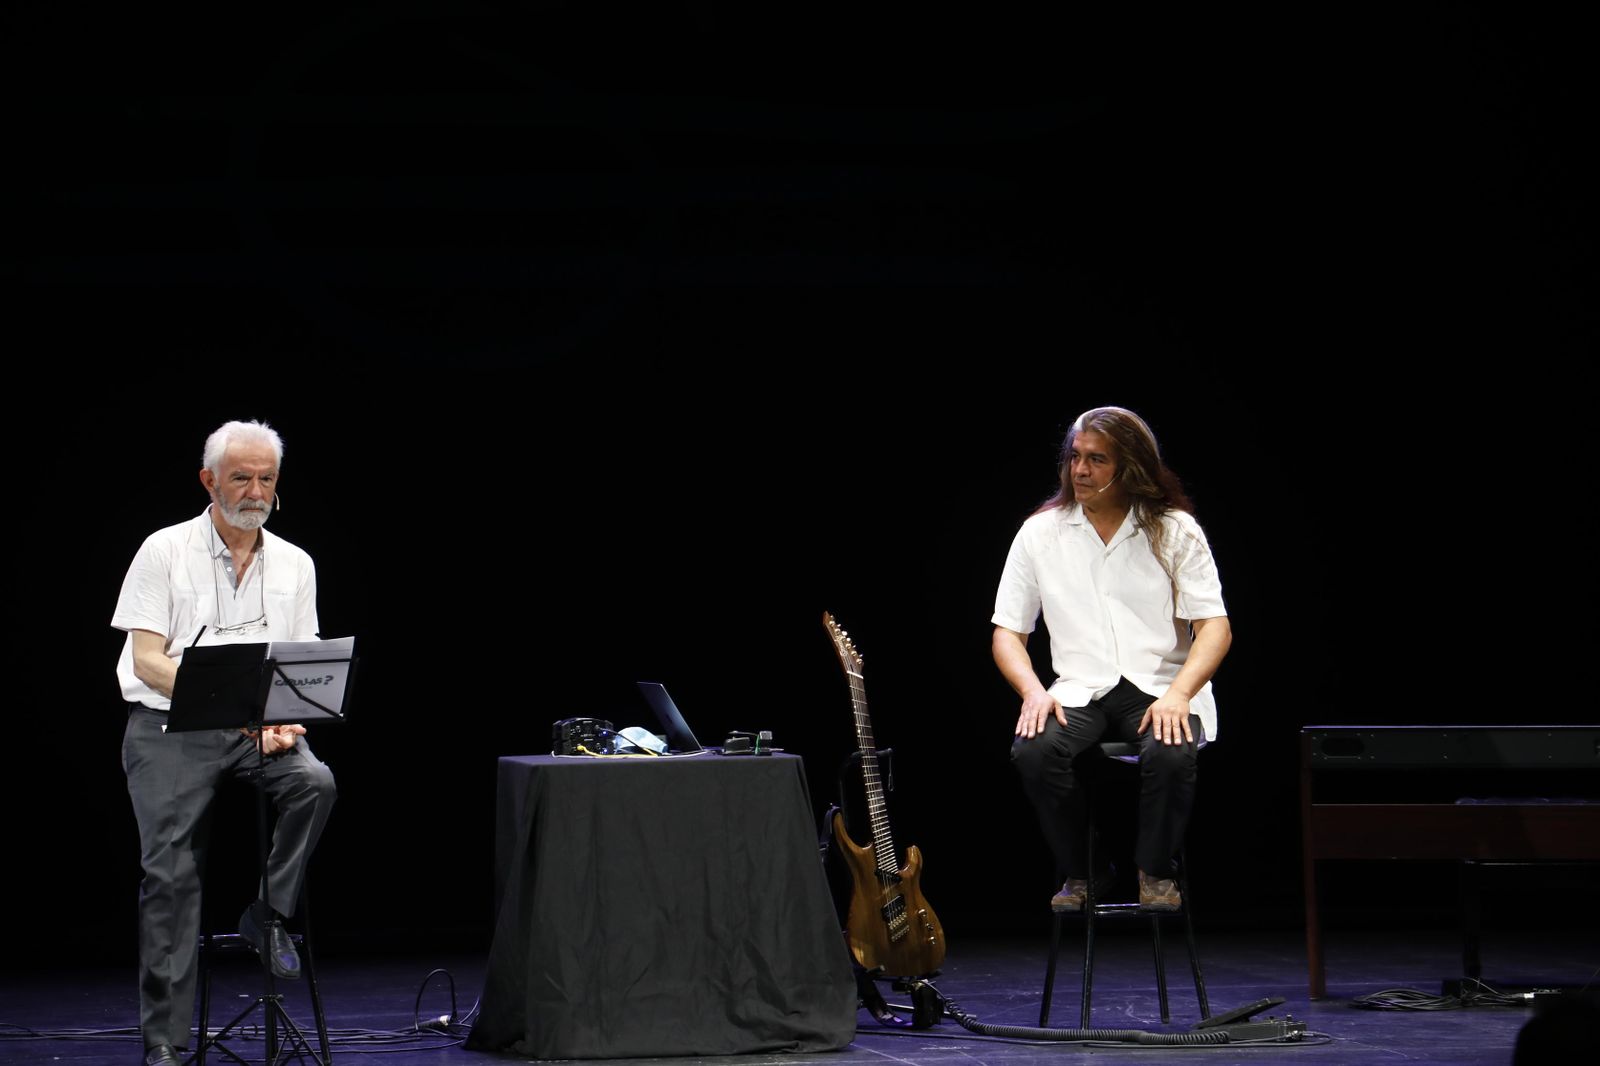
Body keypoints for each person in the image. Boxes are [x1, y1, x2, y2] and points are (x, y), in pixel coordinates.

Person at [113, 420, 337, 1066]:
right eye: (241, 477)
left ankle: (267, 912)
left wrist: (288, 717)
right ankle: (164, 1038)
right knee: (170, 875)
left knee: (315, 783)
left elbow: (299, 664)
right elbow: (148, 660)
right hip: (170, 727)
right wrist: (238, 710)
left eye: (266, 478)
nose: (255, 491)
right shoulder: (164, 550)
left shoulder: (295, 562)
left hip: (254, 730)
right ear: (209, 480)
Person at [992, 406, 1231, 912]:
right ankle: (1087, 869)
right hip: (1081, 687)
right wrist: (1032, 692)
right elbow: (1008, 632)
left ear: (1132, 467)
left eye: (1097, 459)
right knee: (1033, 751)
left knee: (1171, 751)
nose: (1080, 470)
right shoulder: (1041, 533)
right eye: (1075, 457)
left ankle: (1156, 870)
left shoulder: (1174, 529)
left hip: (1159, 685)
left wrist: (1180, 695)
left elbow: (1215, 627)